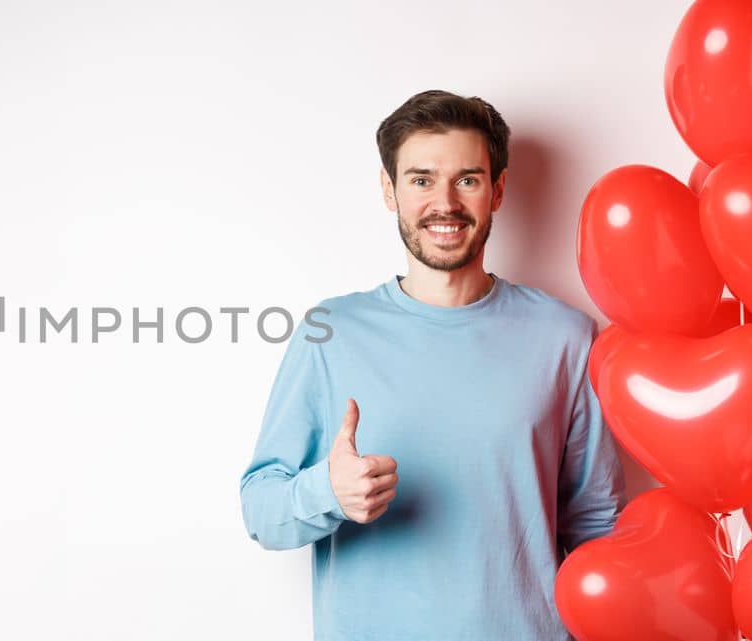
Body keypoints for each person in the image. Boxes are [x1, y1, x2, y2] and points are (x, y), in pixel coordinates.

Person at [238, 90, 625, 640]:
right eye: (421, 180)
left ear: (498, 191)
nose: (444, 202)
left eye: (467, 179)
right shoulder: (330, 333)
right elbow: (261, 512)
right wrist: (328, 493)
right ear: (389, 191)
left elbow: (597, 527)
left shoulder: (566, 338)